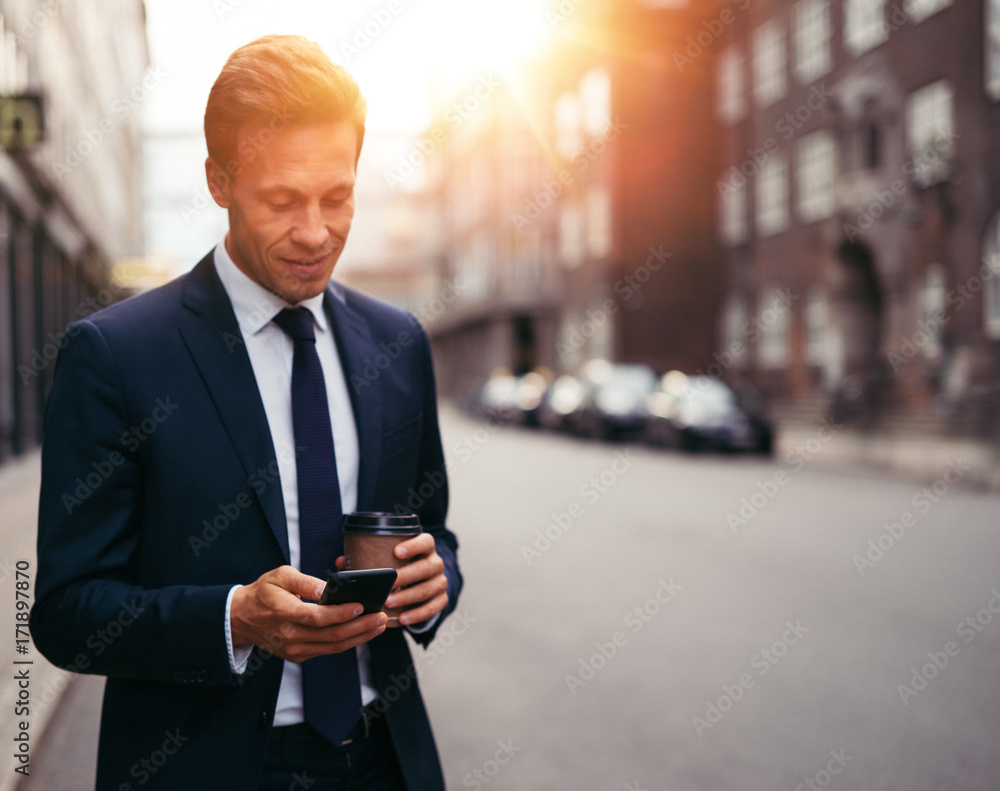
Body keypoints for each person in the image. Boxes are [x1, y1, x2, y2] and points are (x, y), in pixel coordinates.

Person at [30, 35, 462, 791]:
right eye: (282, 201)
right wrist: (232, 618)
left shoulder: (399, 342)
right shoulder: (115, 354)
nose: (316, 232)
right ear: (218, 182)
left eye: (338, 196)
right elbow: (67, 611)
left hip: (385, 758)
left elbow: (434, 529)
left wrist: (437, 580)